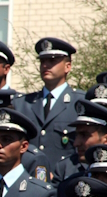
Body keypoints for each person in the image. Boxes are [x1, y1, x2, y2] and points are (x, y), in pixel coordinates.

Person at [13, 38, 82, 167]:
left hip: (64, 180)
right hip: (30, 180)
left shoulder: (80, 103)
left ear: (68, 66)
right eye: (43, 61)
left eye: (52, 61)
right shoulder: (23, 104)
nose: (45, 65)